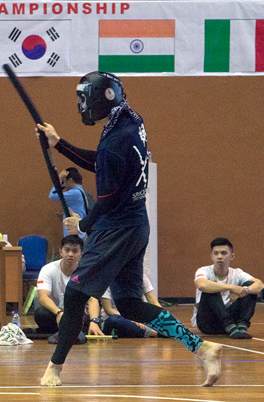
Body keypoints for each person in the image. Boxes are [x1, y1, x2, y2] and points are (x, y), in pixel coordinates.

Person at [36, 71, 222, 387]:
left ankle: (53, 369)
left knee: (76, 295)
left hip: (115, 231)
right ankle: (201, 347)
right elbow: (104, 163)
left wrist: (81, 225)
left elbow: (106, 198)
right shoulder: (130, 120)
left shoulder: (114, 140)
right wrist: (60, 144)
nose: (81, 105)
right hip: (137, 226)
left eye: (84, 99)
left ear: (99, 99)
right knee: (130, 304)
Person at [193, 237, 264, 339]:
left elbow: (261, 286)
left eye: (223, 253)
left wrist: (244, 290)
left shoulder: (237, 273)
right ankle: (229, 325)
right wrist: (231, 287)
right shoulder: (203, 271)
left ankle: (242, 325)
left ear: (232, 256)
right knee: (210, 287)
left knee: (250, 286)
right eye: (216, 253)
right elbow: (201, 285)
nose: (219, 257)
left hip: (234, 322)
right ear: (211, 257)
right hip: (208, 323)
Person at [34, 235, 101, 343]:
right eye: (67, 250)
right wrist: (59, 313)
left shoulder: (86, 272)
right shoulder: (47, 269)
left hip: (76, 314)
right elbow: (43, 297)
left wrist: (94, 321)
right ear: (61, 252)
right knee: (41, 314)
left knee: (86, 319)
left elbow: (93, 299)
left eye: (75, 251)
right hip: (55, 313)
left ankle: (62, 332)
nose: (70, 254)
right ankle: (71, 332)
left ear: (81, 254)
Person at [101, 273, 160, 338]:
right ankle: (156, 333)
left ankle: (146, 331)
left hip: (137, 316)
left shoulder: (142, 276)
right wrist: (131, 319)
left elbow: (154, 302)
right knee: (114, 320)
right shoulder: (107, 278)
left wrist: (164, 319)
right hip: (118, 318)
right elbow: (108, 310)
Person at [49, 167, 89, 238]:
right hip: (80, 234)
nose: (63, 185)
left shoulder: (75, 193)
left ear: (70, 180)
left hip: (76, 236)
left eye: (64, 182)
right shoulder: (81, 192)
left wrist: (59, 179)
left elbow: (52, 195)